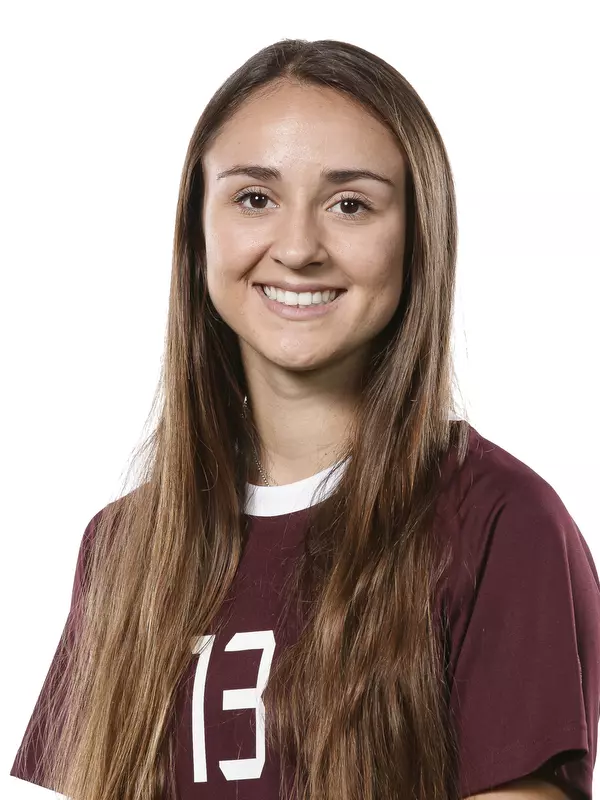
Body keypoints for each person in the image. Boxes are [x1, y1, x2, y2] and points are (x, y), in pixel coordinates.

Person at [10, 37, 600, 800]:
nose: (296, 248)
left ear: (418, 238)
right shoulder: (124, 552)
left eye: (350, 204)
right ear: (198, 232)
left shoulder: (499, 525)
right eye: (255, 198)